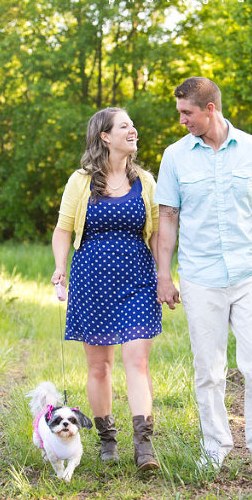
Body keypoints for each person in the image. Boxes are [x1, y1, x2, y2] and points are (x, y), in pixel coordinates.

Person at [154, 77, 252, 475]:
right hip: (200, 277)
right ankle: (214, 447)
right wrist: (165, 275)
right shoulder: (175, 157)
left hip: (249, 274)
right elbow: (167, 219)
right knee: (208, 370)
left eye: (187, 112)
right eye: (180, 112)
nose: (181, 119)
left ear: (209, 109)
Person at [52, 107, 162, 471]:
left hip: (137, 280)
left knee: (138, 361)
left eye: (132, 125)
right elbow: (64, 229)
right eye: (124, 126)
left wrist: (166, 276)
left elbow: (158, 233)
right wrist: (59, 270)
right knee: (99, 366)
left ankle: (144, 446)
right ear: (105, 136)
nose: (133, 130)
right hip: (91, 281)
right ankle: (106, 440)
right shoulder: (80, 181)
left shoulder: (145, 181)